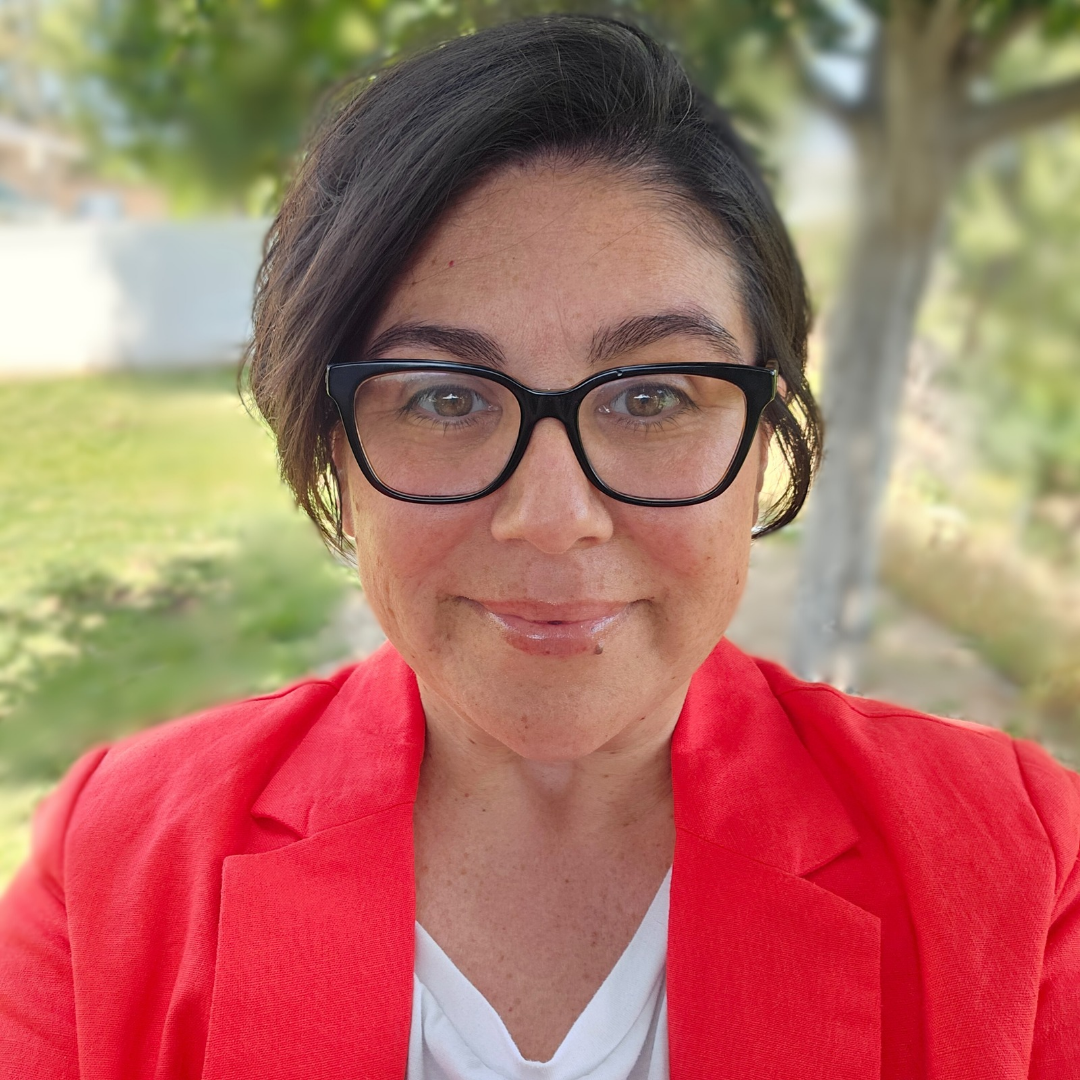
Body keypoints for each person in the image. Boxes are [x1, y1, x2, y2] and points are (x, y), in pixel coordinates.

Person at [1, 14, 1078, 1079]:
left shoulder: (1021, 866)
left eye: (653, 395)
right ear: (332, 450)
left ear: (764, 435)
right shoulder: (116, 864)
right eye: (442, 396)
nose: (554, 516)